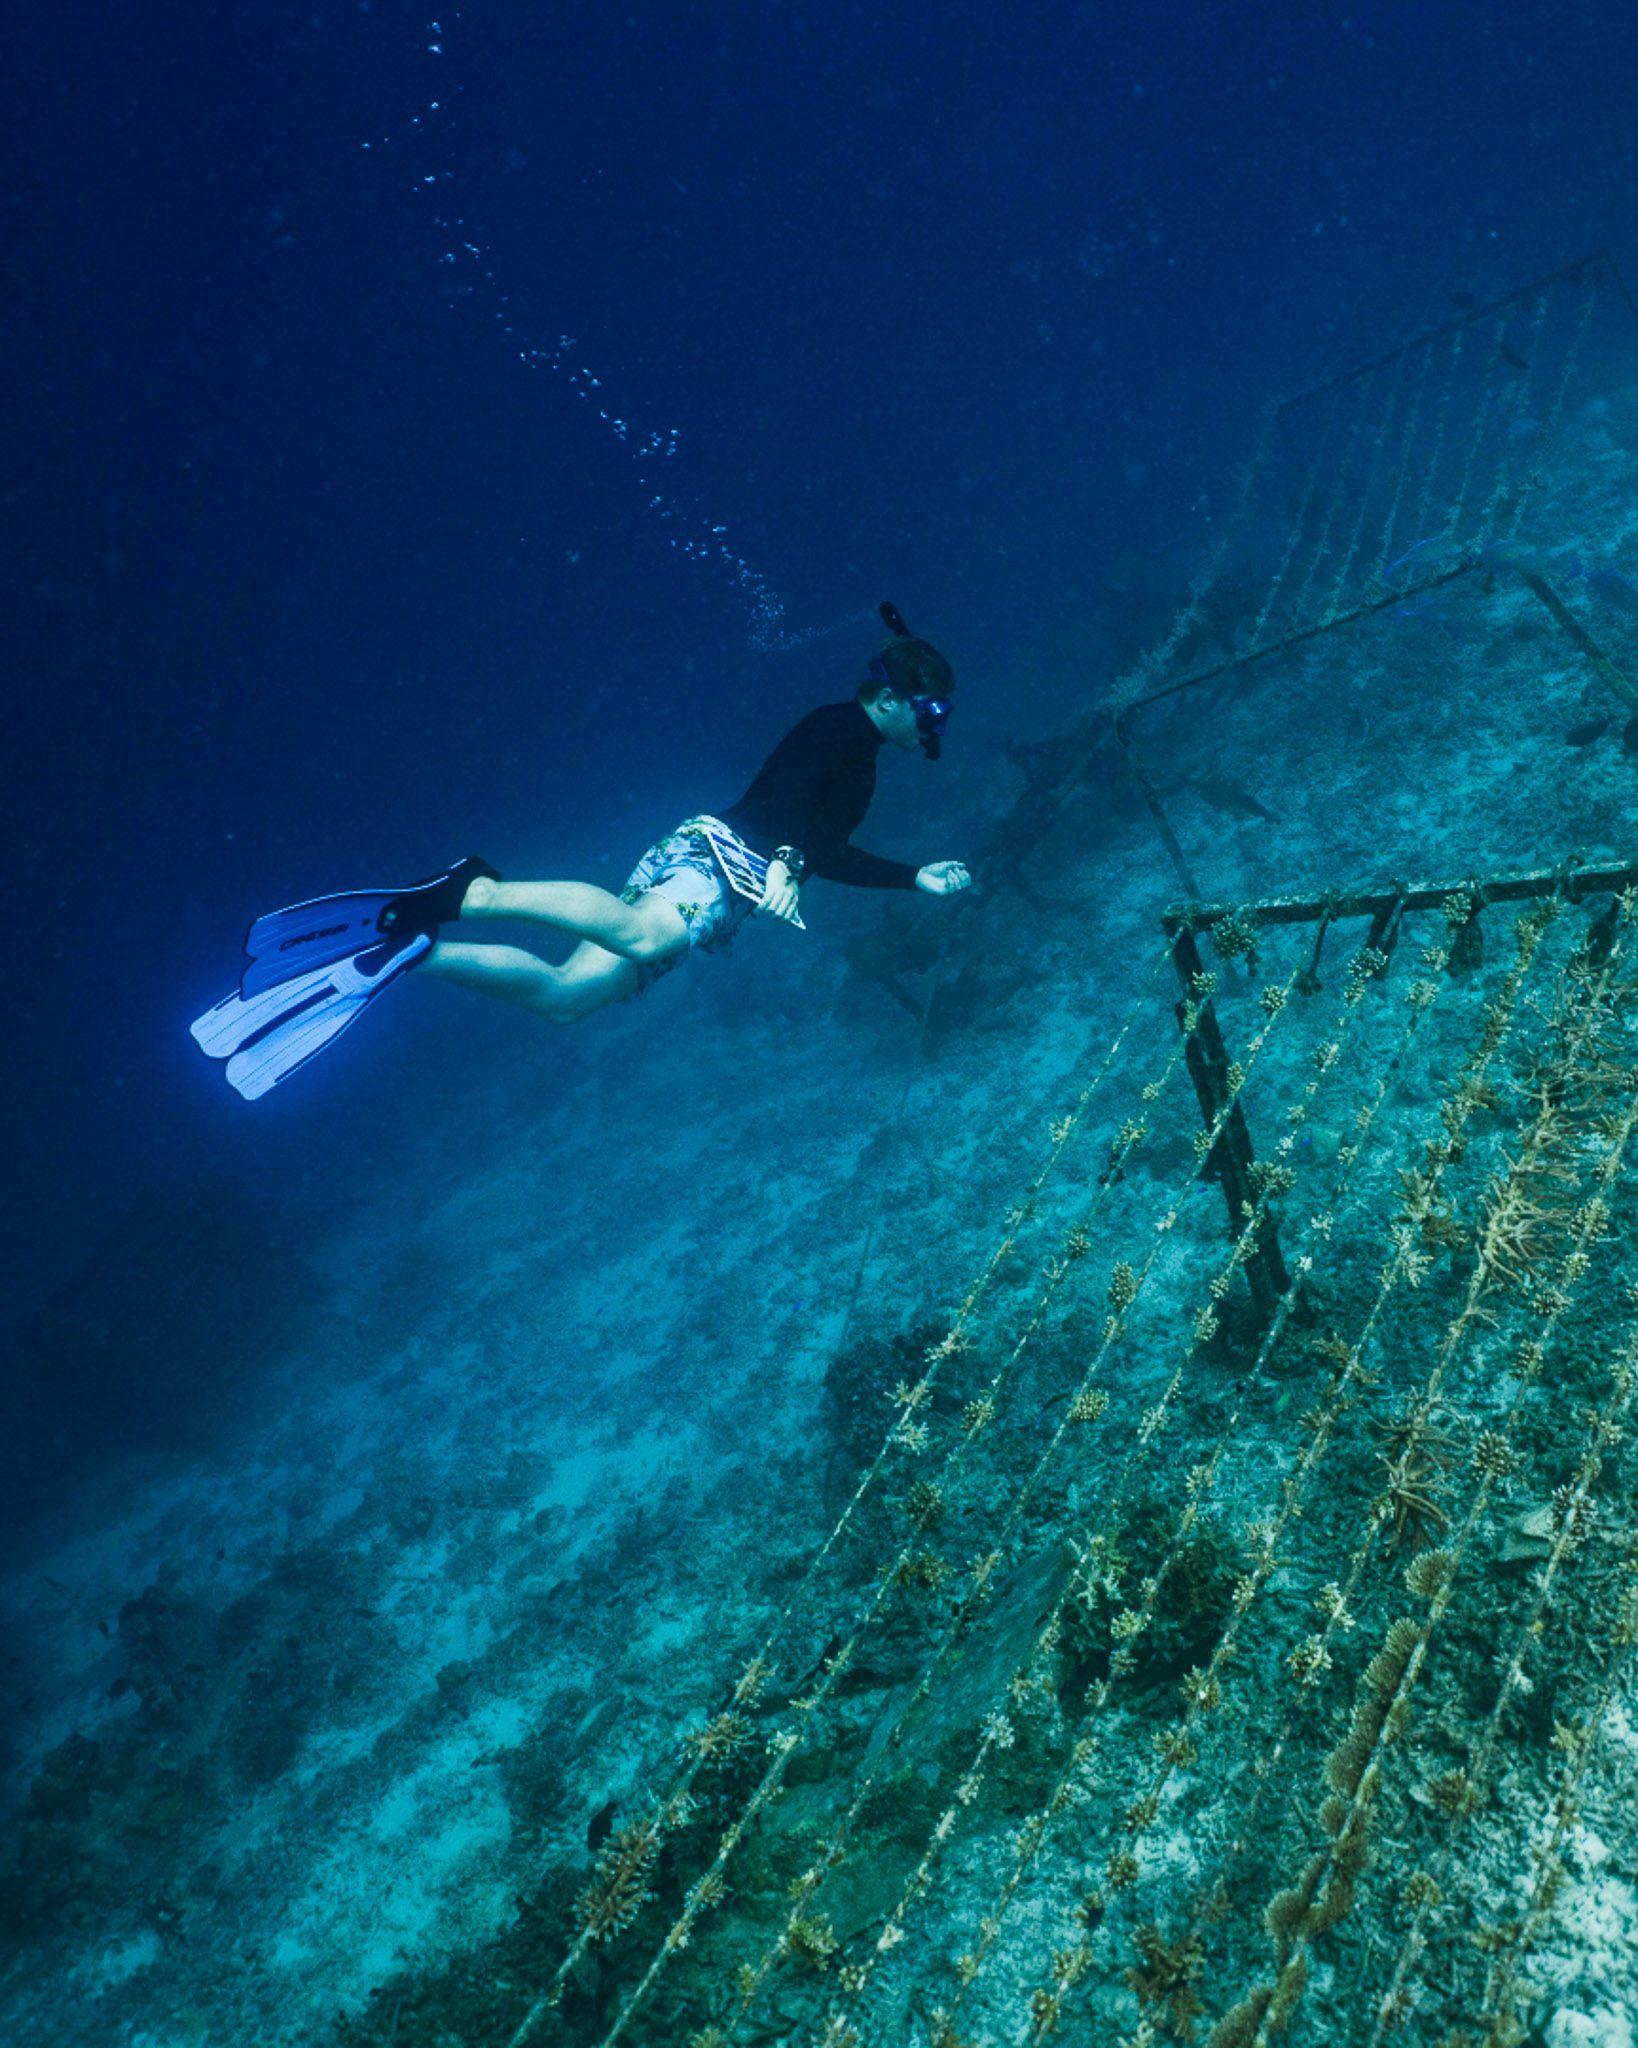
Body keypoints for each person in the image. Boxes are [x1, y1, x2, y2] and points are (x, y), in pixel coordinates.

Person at [191, 604, 973, 1099]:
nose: (932, 730)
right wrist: (786, 863)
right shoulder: (839, 729)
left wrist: (913, 878)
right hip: (721, 861)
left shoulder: (861, 754)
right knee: (644, 936)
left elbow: (828, 848)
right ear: (891, 698)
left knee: (568, 999)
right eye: (930, 713)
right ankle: (477, 892)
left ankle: (414, 953)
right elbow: (789, 803)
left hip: (724, 872)